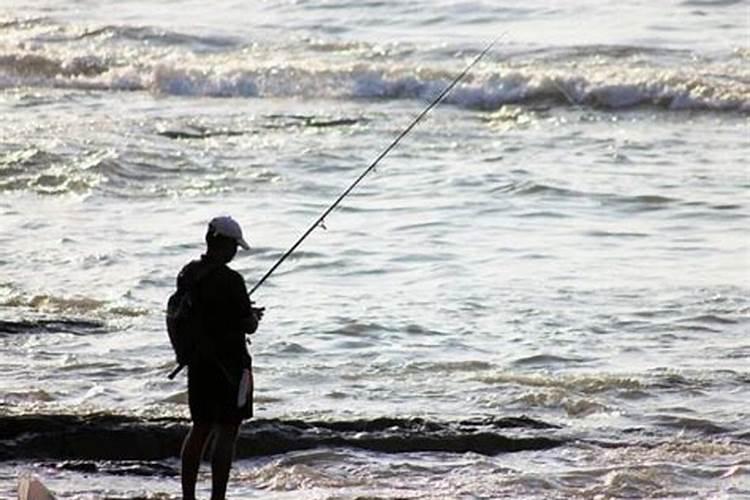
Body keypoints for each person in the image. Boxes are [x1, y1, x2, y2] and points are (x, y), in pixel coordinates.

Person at [178, 215, 263, 500]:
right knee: (227, 431)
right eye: (234, 246)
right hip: (231, 365)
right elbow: (246, 324)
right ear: (224, 244)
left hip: (199, 363)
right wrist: (253, 316)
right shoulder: (232, 280)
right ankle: (218, 498)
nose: (236, 252)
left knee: (199, 428)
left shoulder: (188, 273)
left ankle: (188, 496)